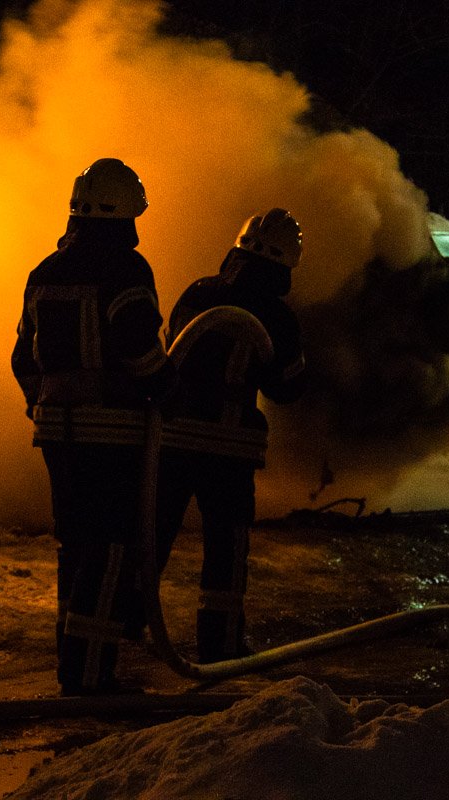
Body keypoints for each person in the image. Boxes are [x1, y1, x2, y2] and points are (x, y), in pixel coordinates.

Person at [12, 158, 175, 695]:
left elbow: (21, 357)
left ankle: (72, 662)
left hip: (55, 433)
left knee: (76, 546)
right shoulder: (127, 270)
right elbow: (136, 343)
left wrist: (47, 402)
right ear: (125, 215)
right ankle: (89, 674)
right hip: (113, 433)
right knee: (109, 547)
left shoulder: (44, 272)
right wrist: (163, 382)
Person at [155, 208, 307, 663]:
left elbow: (169, 348)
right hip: (229, 448)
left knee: (154, 532)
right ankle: (219, 646)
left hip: (174, 438)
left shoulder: (198, 292)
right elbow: (288, 387)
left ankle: (128, 620)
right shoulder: (279, 317)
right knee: (226, 548)